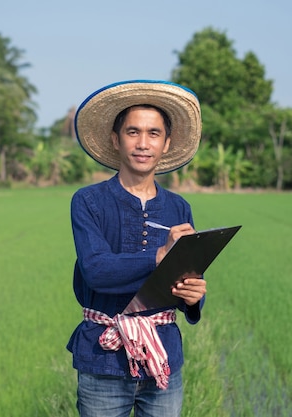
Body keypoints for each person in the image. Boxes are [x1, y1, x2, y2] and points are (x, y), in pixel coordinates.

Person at [67, 80, 206, 417]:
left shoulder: (179, 207)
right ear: (116, 139)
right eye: (133, 132)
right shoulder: (88, 201)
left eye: (154, 133)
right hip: (104, 361)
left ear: (166, 142)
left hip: (163, 362)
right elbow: (97, 270)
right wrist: (159, 257)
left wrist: (194, 296)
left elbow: (185, 275)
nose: (143, 143)